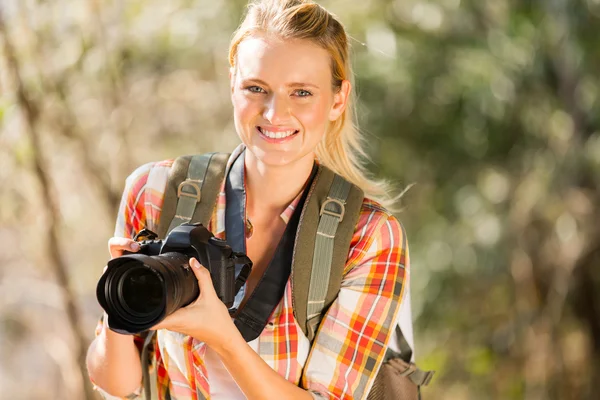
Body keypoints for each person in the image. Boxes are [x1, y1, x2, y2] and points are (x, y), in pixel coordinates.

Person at [86, 0, 412, 399]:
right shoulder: (156, 192)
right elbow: (117, 384)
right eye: (256, 88)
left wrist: (223, 338)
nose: (275, 113)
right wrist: (118, 306)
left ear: (338, 99)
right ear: (232, 84)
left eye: (302, 93)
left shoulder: (367, 237)